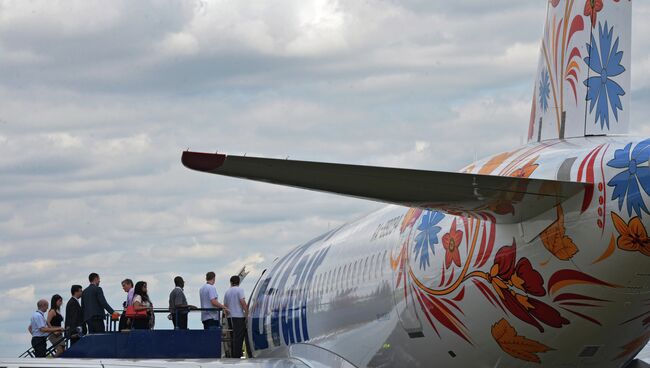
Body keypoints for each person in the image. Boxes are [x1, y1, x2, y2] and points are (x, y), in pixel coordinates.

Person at [224, 275, 249, 358]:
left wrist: (227, 315)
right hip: (238, 316)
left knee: (232, 337)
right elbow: (242, 302)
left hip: (230, 317)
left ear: (231, 282)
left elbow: (225, 306)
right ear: (238, 282)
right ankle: (237, 355)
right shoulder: (240, 290)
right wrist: (247, 313)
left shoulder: (227, 292)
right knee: (239, 337)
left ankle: (233, 355)